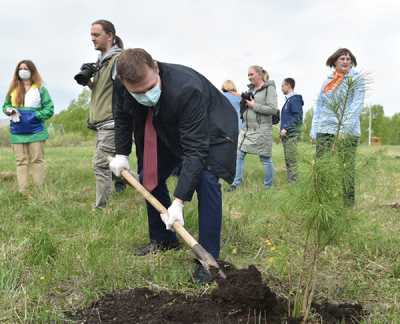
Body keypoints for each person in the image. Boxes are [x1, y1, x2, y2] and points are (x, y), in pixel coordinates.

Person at [109, 48, 238, 283]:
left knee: (206, 180)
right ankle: (163, 240)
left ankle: (207, 258)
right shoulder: (120, 84)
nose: (147, 94)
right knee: (150, 174)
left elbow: (195, 150)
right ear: (125, 83)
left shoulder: (187, 88)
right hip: (163, 125)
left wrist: (179, 202)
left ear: (156, 68)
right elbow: (123, 117)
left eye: (150, 87)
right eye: (139, 92)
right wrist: (121, 154)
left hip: (211, 129)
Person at [76, 19, 125, 209]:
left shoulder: (118, 60)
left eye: (96, 35)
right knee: (114, 166)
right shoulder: (102, 61)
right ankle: (147, 183)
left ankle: (101, 209)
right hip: (102, 123)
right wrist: (90, 81)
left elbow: (122, 91)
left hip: (112, 122)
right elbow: (104, 91)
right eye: (91, 35)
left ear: (110, 36)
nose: (92, 39)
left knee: (101, 165)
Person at [310, 48, 365, 206]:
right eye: (342, 58)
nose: (346, 61)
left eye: (348, 59)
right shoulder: (328, 80)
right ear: (334, 61)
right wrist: (314, 129)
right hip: (325, 128)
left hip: (348, 131)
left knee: (346, 167)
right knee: (322, 165)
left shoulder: (356, 79)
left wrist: (344, 129)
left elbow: (356, 105)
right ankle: (322, 203)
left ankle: (348, 205)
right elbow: (320, 105)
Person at [2, 60, 54, 193]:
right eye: (20, 68)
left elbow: (49, 108)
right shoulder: (13, 90)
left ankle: (39, 190)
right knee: (21, 161)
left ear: (32, 70)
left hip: (36, 131)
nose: (23, 71)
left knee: (37, 160)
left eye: (26, 68)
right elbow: (5, 106)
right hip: (17, 132)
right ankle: (23, 191)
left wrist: (36, 115)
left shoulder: (40, 89)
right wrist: (9, 110)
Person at [228, 66, 278, 191]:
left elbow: (273, 109)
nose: (249, 77)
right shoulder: (251, 89)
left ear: (260, 74)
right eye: (248, 75)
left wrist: (253, 105)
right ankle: (236, 183)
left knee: (265, 158)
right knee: (239, 154)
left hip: (262, 129)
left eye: (251, 74)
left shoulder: (269, 89)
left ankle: (268, 187)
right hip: (247, 129)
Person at [280, 78, 304, 183]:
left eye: (282, 86)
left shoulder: (294, 99)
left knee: (291, 159)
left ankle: (293, 183)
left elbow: (297, 116)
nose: (281, 88)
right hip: (286, 135)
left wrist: (286, 128)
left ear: (288, 85)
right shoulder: (288, 100)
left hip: (291, 134)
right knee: (288, 159)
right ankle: (291, 182)